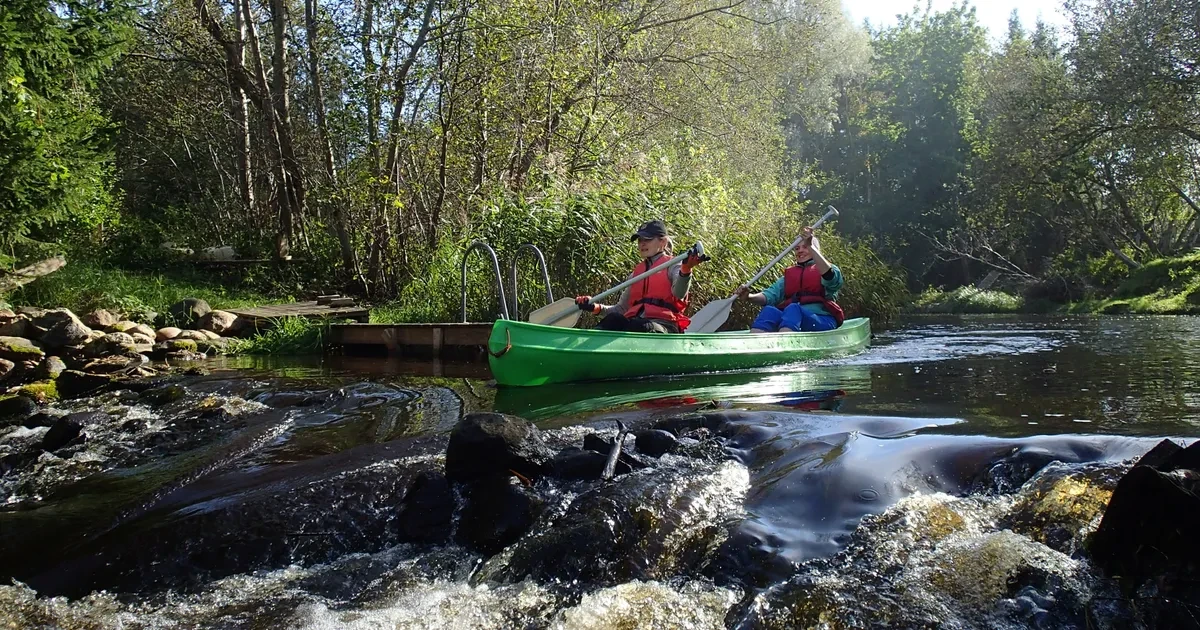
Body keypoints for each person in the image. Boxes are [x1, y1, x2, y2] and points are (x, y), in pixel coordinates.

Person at [574, 219, 706, 333]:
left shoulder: (674, 265)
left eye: (647, 239)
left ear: (663, 242)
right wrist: (594, 307)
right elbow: (621, 309)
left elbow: (679, 294)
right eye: (640, 240)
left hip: (663, 326)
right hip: (635, 324)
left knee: (640, 325)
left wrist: (686, 269)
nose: (642, 243)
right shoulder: (636, 274)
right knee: (614, 318)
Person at [736, 225, 844, 333]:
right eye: (797, 248)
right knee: (769, 311)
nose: (800, 251)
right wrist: (749, 296)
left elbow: (830, 278)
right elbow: (769, 296)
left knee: (793, 309)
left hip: (822, 319)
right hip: (792, 319)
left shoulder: (829, 269)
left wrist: (810, 245)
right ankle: (756, 342)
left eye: (805, 247)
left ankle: (786, 340)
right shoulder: (788, 277)